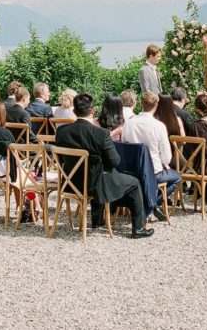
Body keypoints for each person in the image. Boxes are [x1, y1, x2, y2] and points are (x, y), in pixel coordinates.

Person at [55, 93, 154, 238]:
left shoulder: (61, 132)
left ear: (74, 111)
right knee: (134, 182)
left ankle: (97, 220)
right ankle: (138, 228)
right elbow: (114, 161)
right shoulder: (100, 134)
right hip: (94, 185)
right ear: (93, 110)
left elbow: (61, 159)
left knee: (97, 173)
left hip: (70, 183)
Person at [122, 91, 182, 203]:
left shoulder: (129, 123)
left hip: (132, 169)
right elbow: (166, 158)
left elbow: (123, 144)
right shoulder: (158, 126)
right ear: (156, 105)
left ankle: (146, 201)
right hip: (154, 171)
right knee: (177, 178)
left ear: (140, 104)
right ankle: (152, 202)